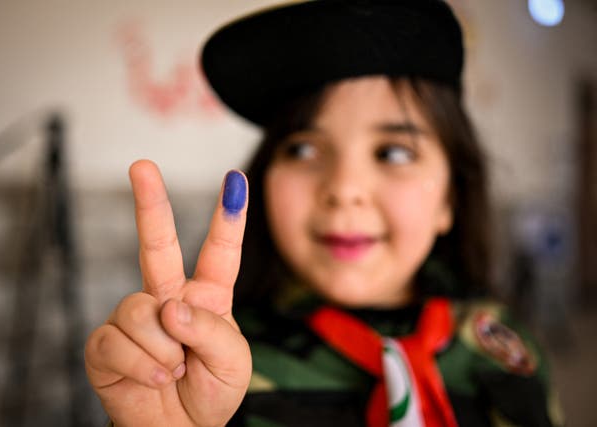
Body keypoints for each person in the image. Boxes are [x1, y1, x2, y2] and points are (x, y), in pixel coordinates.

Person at [84, 1, 564, 426]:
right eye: (303, 149)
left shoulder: (503, 348)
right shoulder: (207, 370)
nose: (343, 190)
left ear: (451, 199)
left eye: (394, 153)